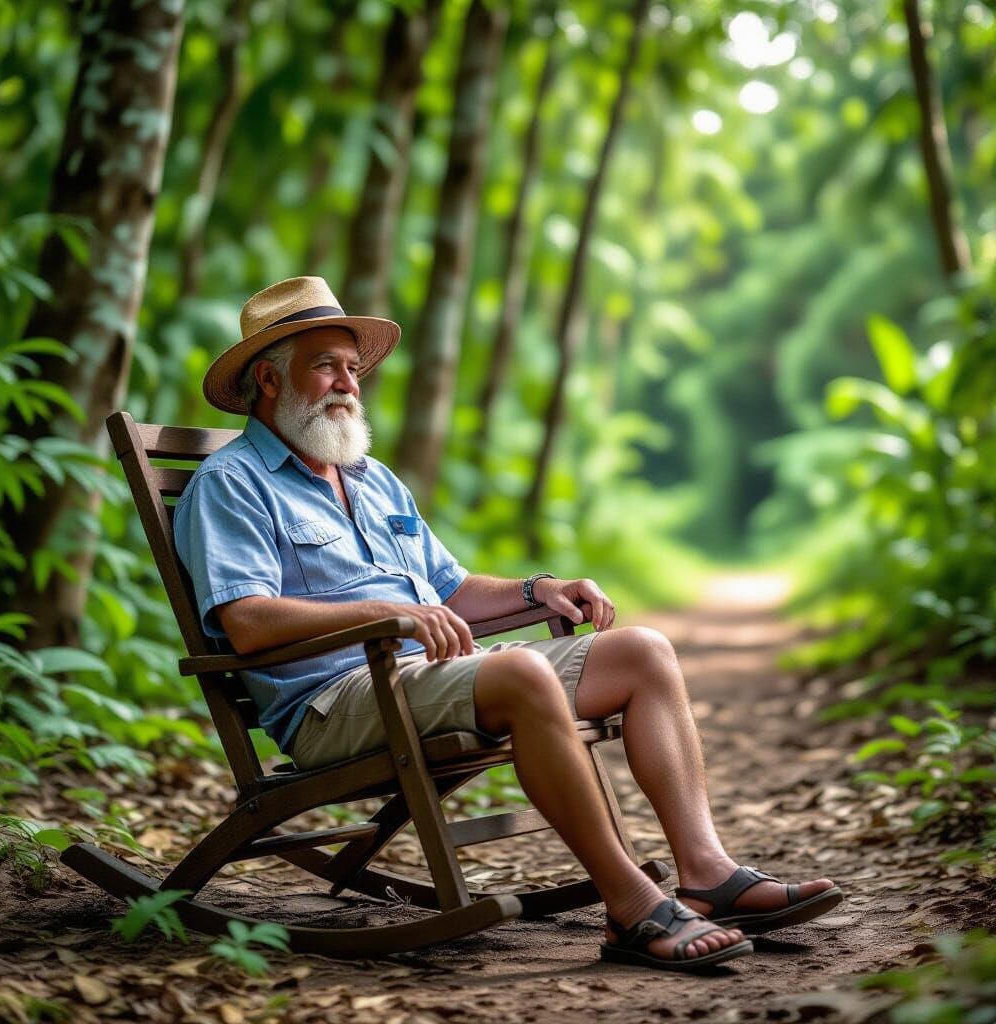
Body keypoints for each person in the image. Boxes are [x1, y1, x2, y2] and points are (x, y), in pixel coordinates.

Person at [174, 276, 843, 973]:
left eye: (353, 368)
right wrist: (386, 614)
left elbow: (450, 590)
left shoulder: (371, 479)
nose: (348, 384)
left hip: (419, 677)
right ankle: (631, 906)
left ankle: (707, 874)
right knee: (520, 672)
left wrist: (537, 589)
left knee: (642, 652)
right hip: (334, 701)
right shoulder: (233, 483)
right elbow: (246, 622)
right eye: (326, 367)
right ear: (269, 380)